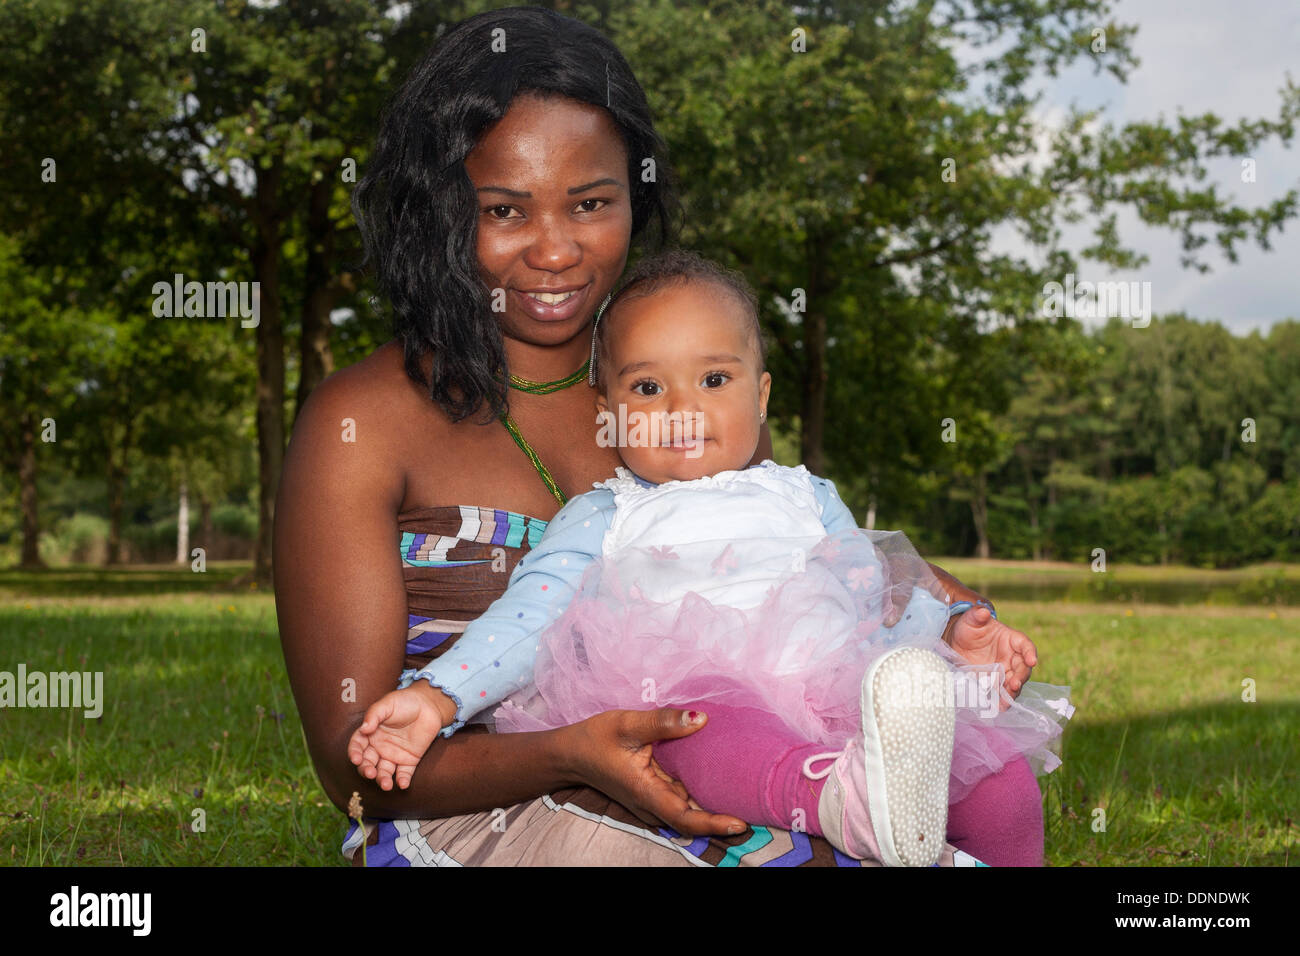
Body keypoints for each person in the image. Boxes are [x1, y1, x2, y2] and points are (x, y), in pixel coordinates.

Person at [275, 6, 1049, 867]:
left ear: (633, 199)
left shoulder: (677, 388)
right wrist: (567, 752)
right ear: (441, 211)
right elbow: (353, 767)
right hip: (490, 817)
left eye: (591, 203)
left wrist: (957, 623)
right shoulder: (361, 424)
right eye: (505, 210)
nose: (556, 250)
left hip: (750, 775)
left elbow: (814, 557)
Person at [347, 251, 1072, 866]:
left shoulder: (805, 496)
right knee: (701, 729)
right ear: (609, 410)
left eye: (714, 381)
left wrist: (950, 635)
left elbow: (867, 595)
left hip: (840, 697)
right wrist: (437, 697)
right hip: (698, 695)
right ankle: (844, 803)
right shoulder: (608, 512)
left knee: (1001, 780)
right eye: (648, 386)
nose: (681, 407)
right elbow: (528, 618)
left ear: (760, 396)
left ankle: (959, 830)